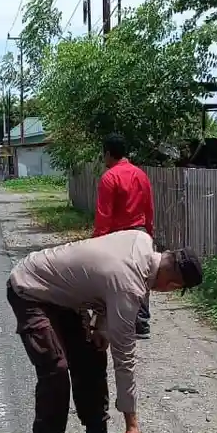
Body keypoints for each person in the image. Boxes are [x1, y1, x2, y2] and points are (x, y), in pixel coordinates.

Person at [6, 230, 204, 433]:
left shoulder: (141, 240)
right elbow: (124, 361)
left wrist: (100, 325)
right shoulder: (130, 287)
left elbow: (101, 279)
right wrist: (132, 425)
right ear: (173, 285)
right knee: (55, 368)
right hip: (30, 288)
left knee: (92, 355)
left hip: (63, 294)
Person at [93, 134, 154, 339]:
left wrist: (97, 241)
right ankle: (142, 321)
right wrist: (149, 233)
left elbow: (104, 214)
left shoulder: (109, 177)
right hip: (141, 232)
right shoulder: (140, 174)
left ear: (109, 154)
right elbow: (149, 207)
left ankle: (119, 318)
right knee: (142, 277)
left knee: (118, 278)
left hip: (120, 235)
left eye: (104, 154)